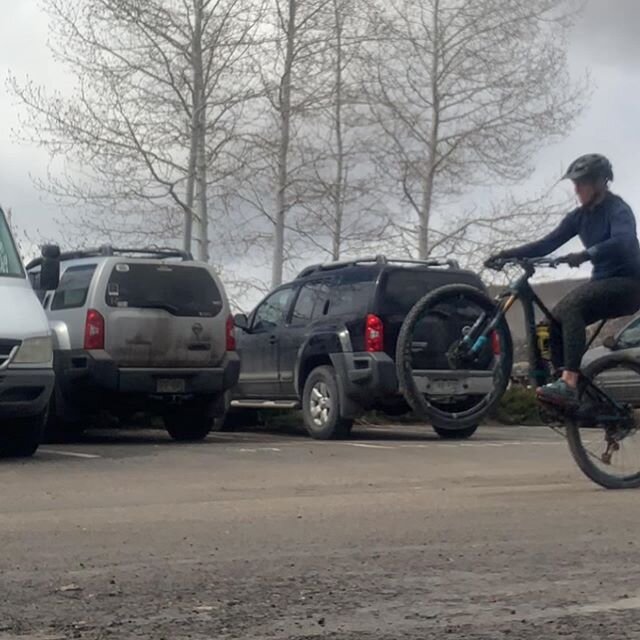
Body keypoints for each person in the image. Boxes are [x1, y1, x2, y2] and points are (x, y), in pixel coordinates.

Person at [486, 154, 640, 408]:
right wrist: (507, 254)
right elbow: (547, 243)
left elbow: (623, 241)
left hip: (628, 286)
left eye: (582, 183)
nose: (577, 189)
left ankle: (569, 382)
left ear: (600, 182)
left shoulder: (618, 209)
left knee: (572, 308)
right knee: (548, 327)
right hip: (601, 285)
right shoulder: (578, 217)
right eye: (575, 184)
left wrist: (587, 254)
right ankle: (565, 390)